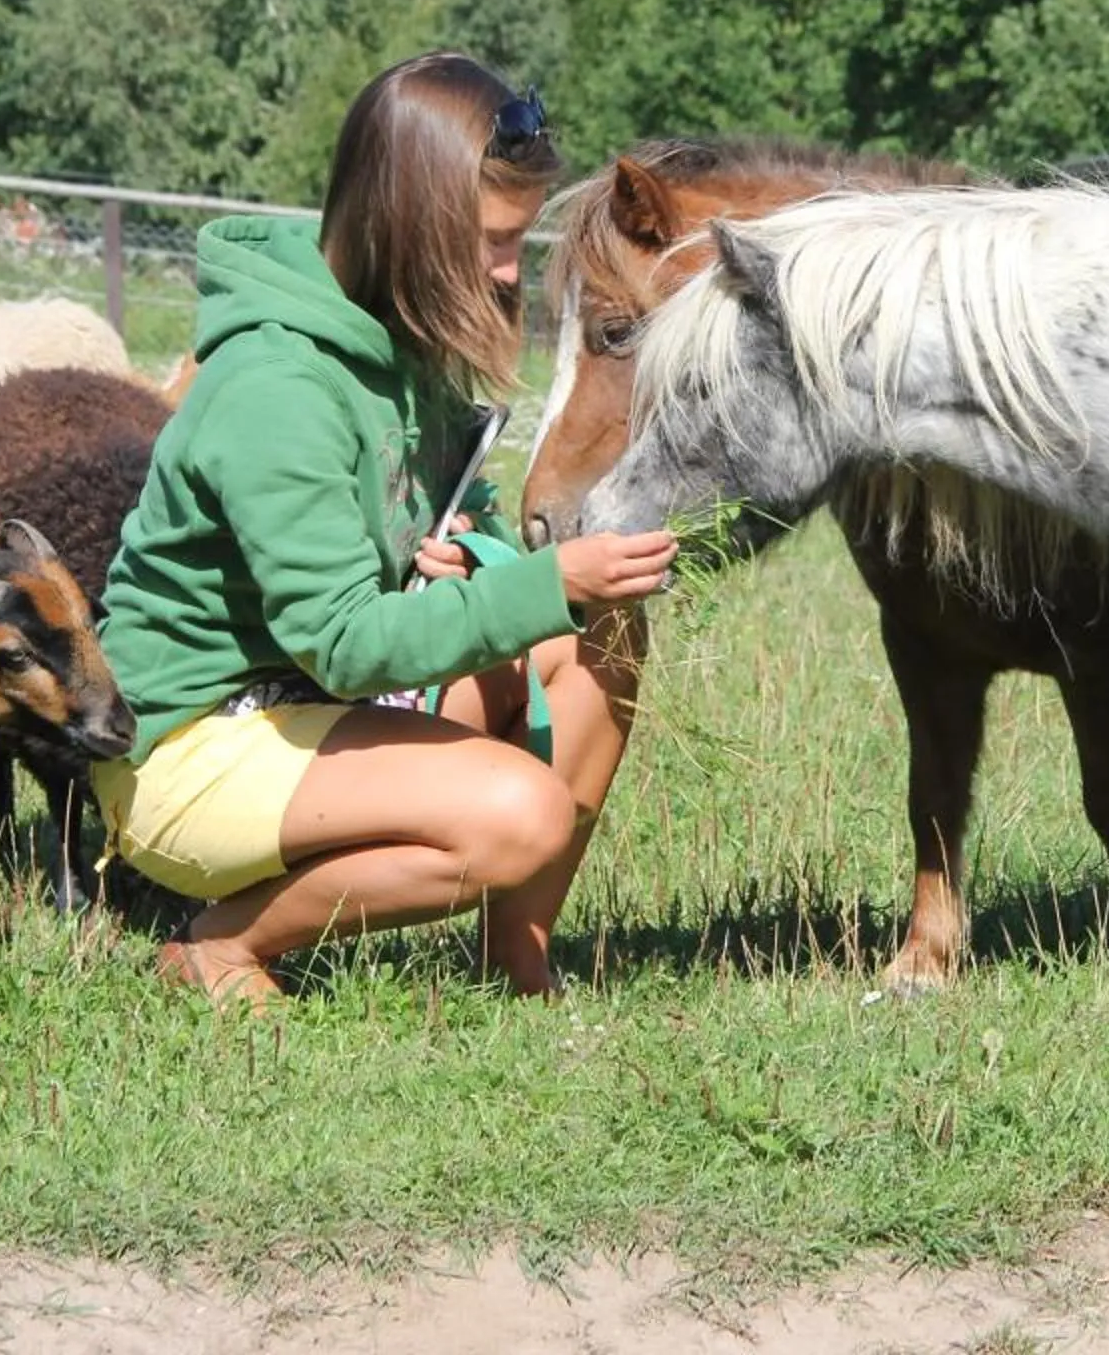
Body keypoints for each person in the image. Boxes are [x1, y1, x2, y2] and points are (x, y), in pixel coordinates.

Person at [89, 52, 676, 1004]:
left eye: (516, 240)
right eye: (489, 239)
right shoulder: (278, 388)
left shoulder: (404, 340)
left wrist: (473, 559)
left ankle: (515, 961)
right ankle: (220, 947)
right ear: (411, 222)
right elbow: (348, 641)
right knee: (522, 814)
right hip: (197, 748)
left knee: (607, 632)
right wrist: (541, 582)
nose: (502, 269)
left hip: (317, 705)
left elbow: (460, 515)